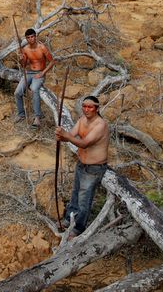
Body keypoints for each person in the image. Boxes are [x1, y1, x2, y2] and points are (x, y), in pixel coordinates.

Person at [55, 95, 109, 239]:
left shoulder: (100, 125)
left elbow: (85, 143)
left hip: (94, 168)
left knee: (84, 200)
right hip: (81, 164)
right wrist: (62, 136)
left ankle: (78, 228)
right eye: (84, 106)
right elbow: (72, 134)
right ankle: (69, 219)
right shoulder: (82, 120)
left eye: (90, 107)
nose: (86, 109)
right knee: (75, 194)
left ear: (97, 109)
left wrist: (65, 135)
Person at [14, 28, 55, 127]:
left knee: (34, 89)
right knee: (17, 92)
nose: (31, 39)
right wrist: (21, 59)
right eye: (28, 38)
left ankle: (37, 117)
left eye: (32, 37)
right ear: (26, 39)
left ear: (35, 37)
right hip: (29, 73)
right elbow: (23, 65)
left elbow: (52, 61)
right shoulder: (25, 49)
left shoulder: (42, 48)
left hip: (39, 73)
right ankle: (21, 114)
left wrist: (43, 73)